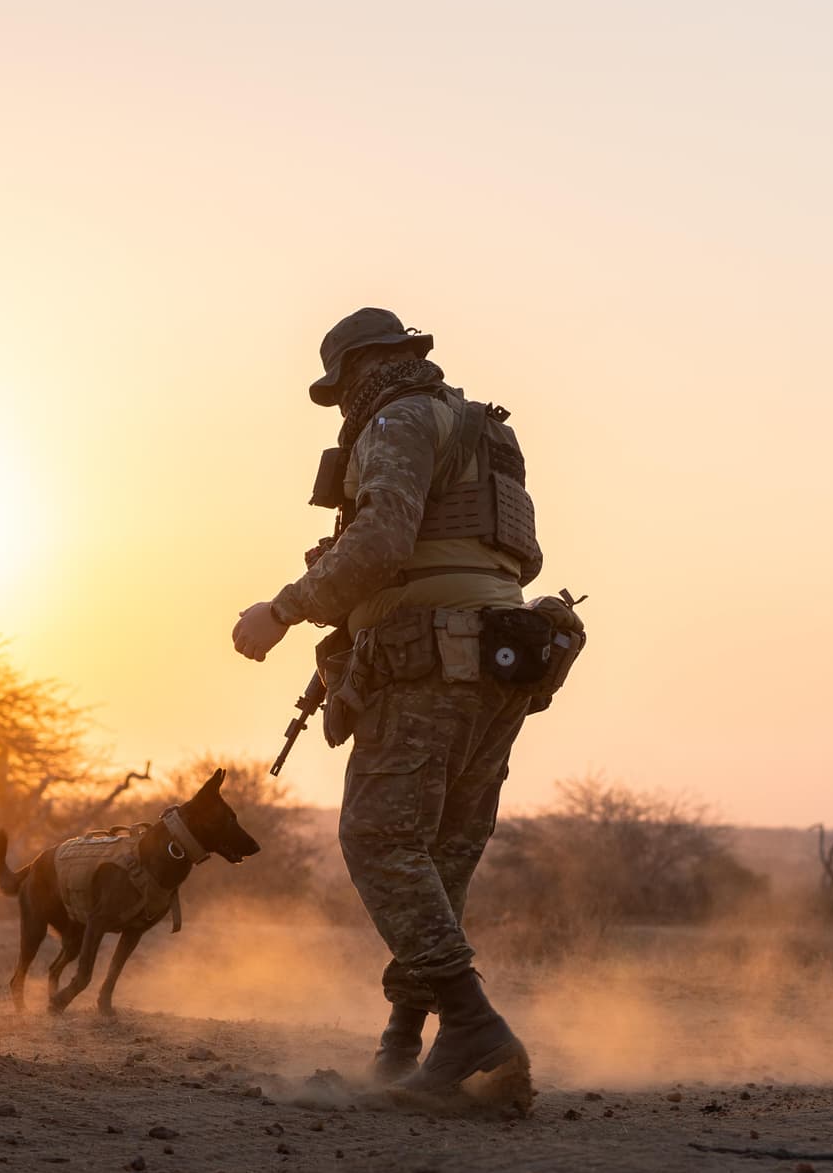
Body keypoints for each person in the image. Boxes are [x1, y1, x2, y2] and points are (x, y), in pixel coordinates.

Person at [231, 307, 581, 1107]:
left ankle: (472, 1027)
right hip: (504, 658)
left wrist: (282, 611)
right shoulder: (484, 430)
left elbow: (384, 542)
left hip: (433, 660)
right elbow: (498, 552)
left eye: (343, 385)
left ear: (358, 372)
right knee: (441, 856)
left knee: (381, 837)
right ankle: (403, 1048)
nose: (346, 402)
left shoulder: (396, 418)